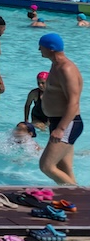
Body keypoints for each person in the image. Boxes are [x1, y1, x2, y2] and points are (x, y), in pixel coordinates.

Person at [38, 32, 82, 185]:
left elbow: (73, 102)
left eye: (41, 47)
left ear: (51, 48)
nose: (39, 50)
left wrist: (61, 129)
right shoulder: (55, 65)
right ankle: (74, 201)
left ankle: (79, 196)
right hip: (57, 122)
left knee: (46, 166)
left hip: (67, 124)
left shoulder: (66, 69)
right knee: (64, 168)